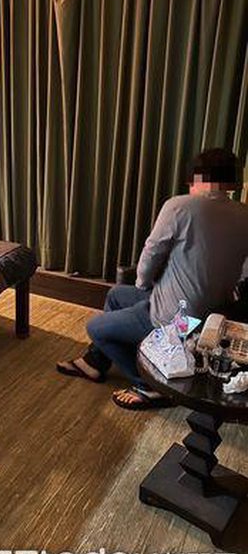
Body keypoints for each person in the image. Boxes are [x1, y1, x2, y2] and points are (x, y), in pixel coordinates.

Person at [57, 148, 248, 410]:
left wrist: (144, 285)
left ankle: (151, 385)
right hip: (213, 316)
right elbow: (244, 274)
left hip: (176, 318)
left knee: (96, 328)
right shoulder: (244, 215)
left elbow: (152, 253)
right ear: (231, 183)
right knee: (115, 295)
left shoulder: (180, 206)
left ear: (197, 178)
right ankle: (95, 362)